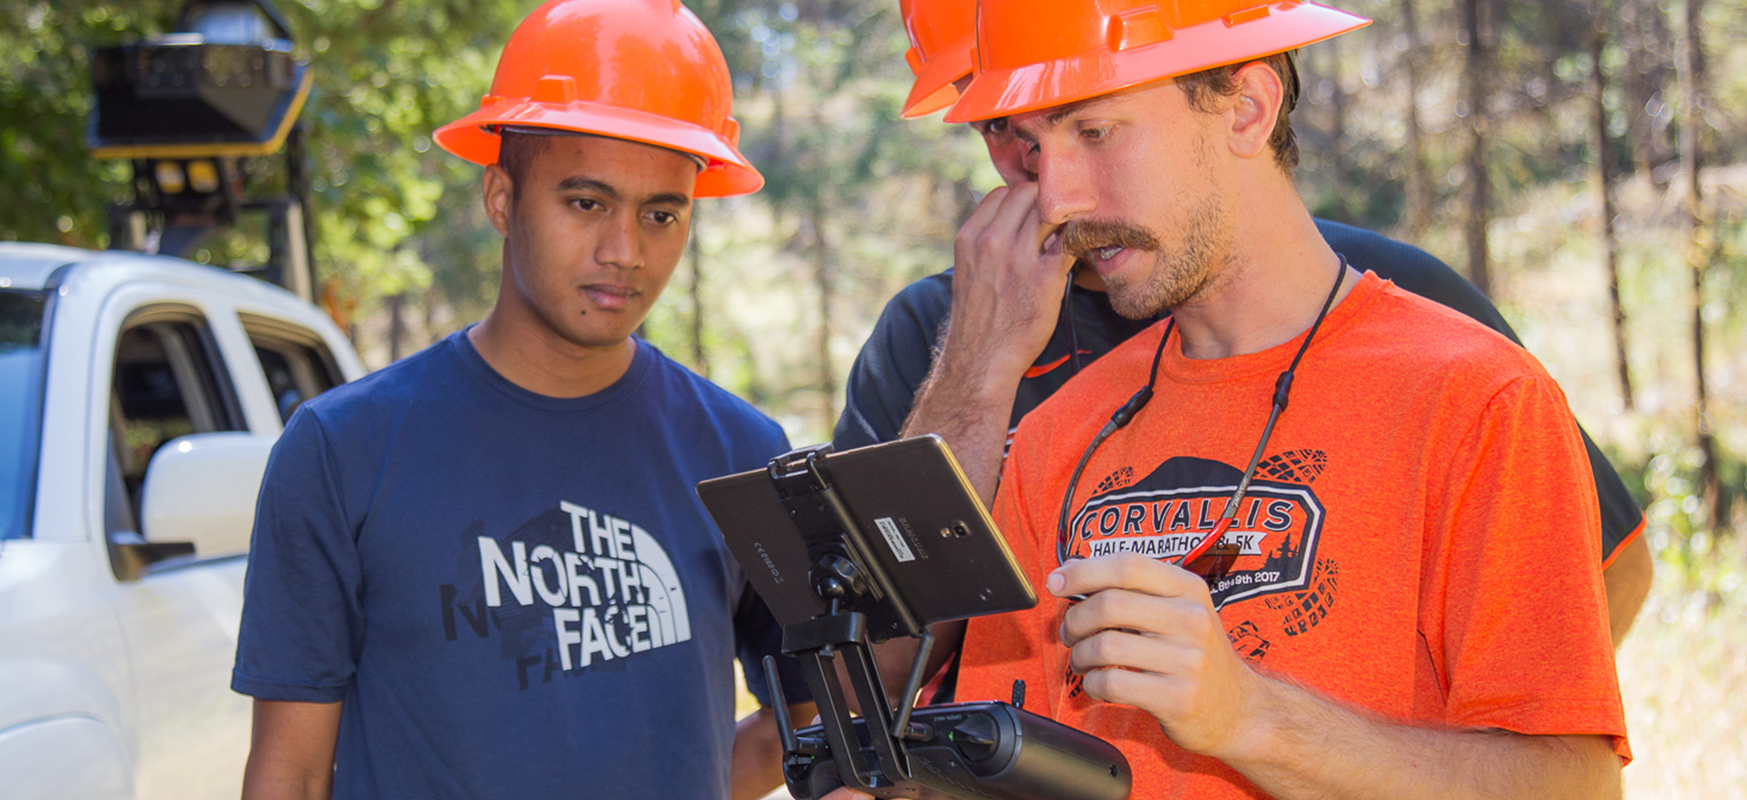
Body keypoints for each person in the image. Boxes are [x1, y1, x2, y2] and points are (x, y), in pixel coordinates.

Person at [834, 1, 1650, 711]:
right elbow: (864, 684)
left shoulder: (1429, 332)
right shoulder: (960, 356)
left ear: (1246, 108)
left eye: (1092, 128)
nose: (1050, 188)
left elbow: (1591, 605)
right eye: (1002, 133)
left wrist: (1408, 753)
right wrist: (974, 371)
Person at [231, 1, 811, 797]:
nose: (625, 251)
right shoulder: (345, 450)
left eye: (661, 215)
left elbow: (810, 720)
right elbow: (289, 774)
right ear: (501, 199)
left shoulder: (742, 452)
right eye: (586, 203)